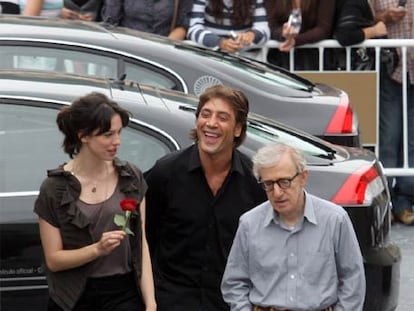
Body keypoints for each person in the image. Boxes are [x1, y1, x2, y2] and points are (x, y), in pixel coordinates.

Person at [145, 85, 267, 311]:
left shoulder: (254, 181)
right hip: (171, 302)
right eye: (205, 114)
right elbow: (144, 239)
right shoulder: (166, 173)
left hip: (230, 304)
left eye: (223, 117)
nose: (211, 123)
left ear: (238, 128)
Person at [34, 92, 157, 311]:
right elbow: (54, 260)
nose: (117, 142)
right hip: (74, 297)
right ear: (84, 136)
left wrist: (151, 303)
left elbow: (141, 244)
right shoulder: (54, 188)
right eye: (108, 134)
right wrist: (97, 249)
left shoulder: (131, 177)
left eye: (119, 133)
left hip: (123, 293)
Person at [221, 143, 366, 311]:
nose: (277, 193)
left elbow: (353, 280)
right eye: (268, 184)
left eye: (284, 182)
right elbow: (234, 282)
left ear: (303, 177)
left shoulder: (334, 220)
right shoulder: (250, 224)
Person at [371, 0, 414, 225]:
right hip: (391, 69)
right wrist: (385, 17)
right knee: (389, 138)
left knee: (412, 142)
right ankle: (385, 202)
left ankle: (405, 202)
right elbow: (364, 23)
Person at [265, 0, 335, 70]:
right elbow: (272, 26)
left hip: (316, 58)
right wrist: (283, 34)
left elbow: (323, 29)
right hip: (280, 59)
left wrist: (295, 41)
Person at [186, 0, 270, 57]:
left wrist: (251, 35)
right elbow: (193, 29)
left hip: (248, 58)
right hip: (209, 55)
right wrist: (220, 42)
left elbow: (264, 29)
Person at [101, 0, 193, 40]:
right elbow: (110, 22)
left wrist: (163, 51)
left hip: (164, 52)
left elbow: (183, 25)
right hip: (127, 48)